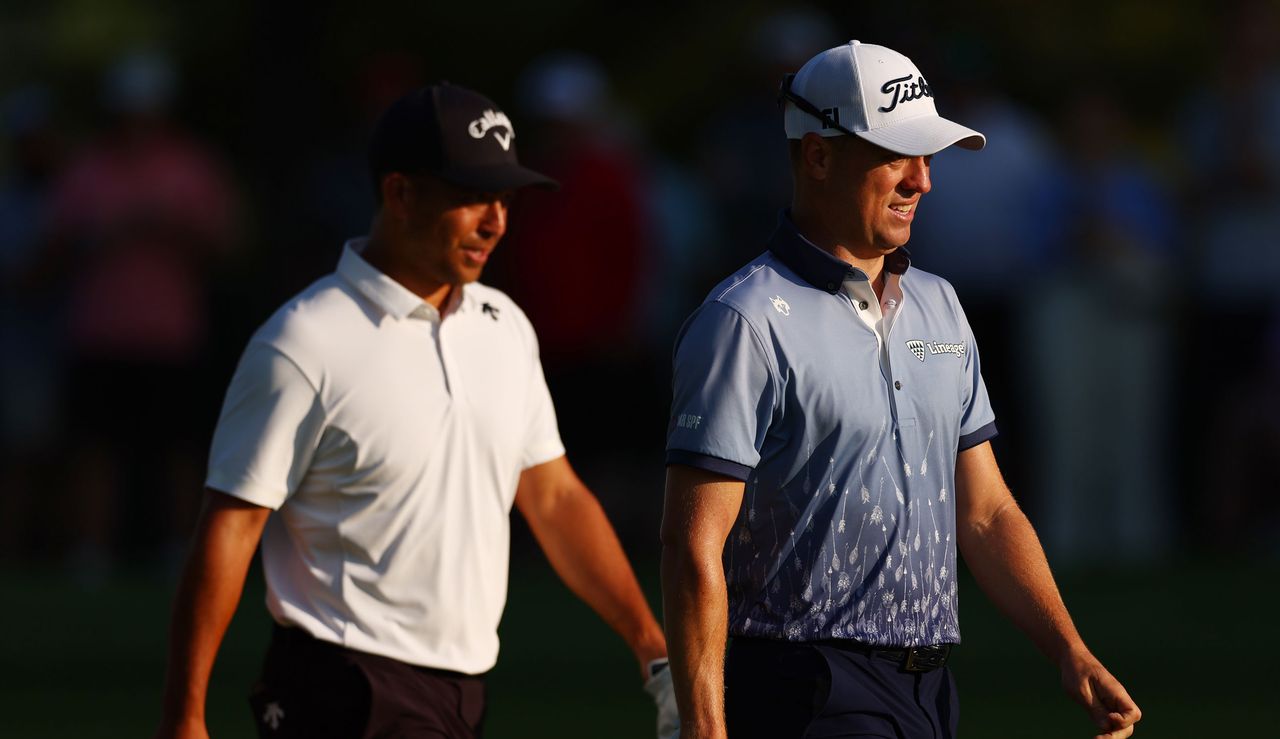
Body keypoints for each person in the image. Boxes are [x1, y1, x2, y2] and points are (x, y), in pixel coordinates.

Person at [157, 82, 675, 739]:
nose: (497, 222)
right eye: (471, 198)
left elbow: (552, 495)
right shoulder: (303, 341)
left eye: (506, 199)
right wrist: (185, 717)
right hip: (338, 688)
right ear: (400, 194)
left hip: (459, 690)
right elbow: (230, 526)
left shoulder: (503, 325)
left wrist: (653, 648)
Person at [660, 41, 1142, 739]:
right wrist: (706, 730)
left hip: (929, 691)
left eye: (929, 157)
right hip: (802, 687)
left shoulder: (940, 304)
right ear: (818, 157)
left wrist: (1069, 649)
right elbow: (691, 545)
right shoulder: (744, 321)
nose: (923, 180)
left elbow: (985, 512)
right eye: (897, 155)